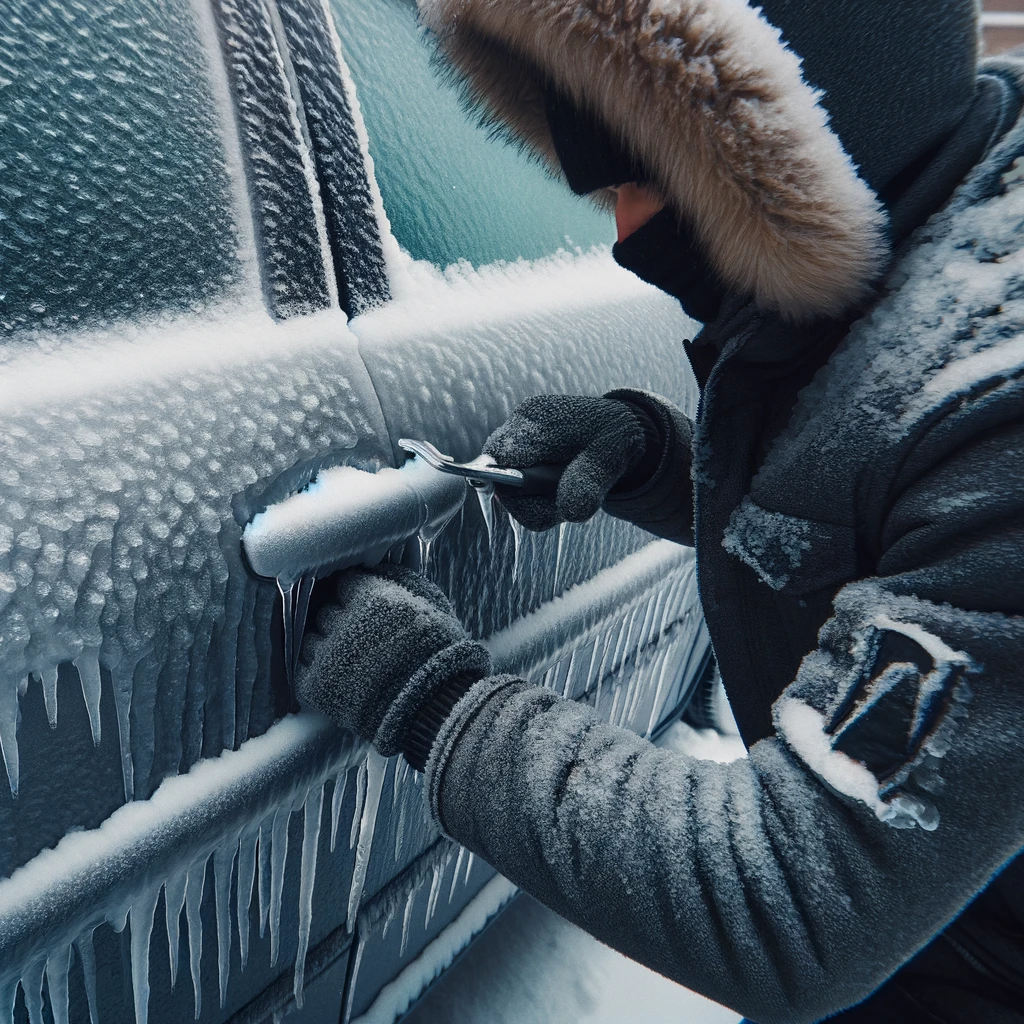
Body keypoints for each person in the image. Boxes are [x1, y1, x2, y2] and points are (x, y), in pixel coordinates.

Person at [296, 1, 1024, 1020]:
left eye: (648, 170)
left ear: (799, 132)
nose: (625, 237)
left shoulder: (998, 410)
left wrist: (431, 701)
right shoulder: (922, 276)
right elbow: (868, 518)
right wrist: (651, 458)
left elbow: (795, 904)